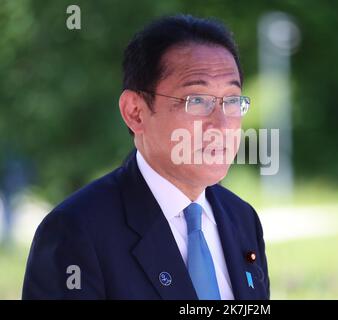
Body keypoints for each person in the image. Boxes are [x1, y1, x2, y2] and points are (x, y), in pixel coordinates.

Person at [22, 14, 269, 300]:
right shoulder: (77, 232)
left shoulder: (241, 218)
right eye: (197, 101)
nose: (222, 125)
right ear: (135, 112)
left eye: (231, 100)